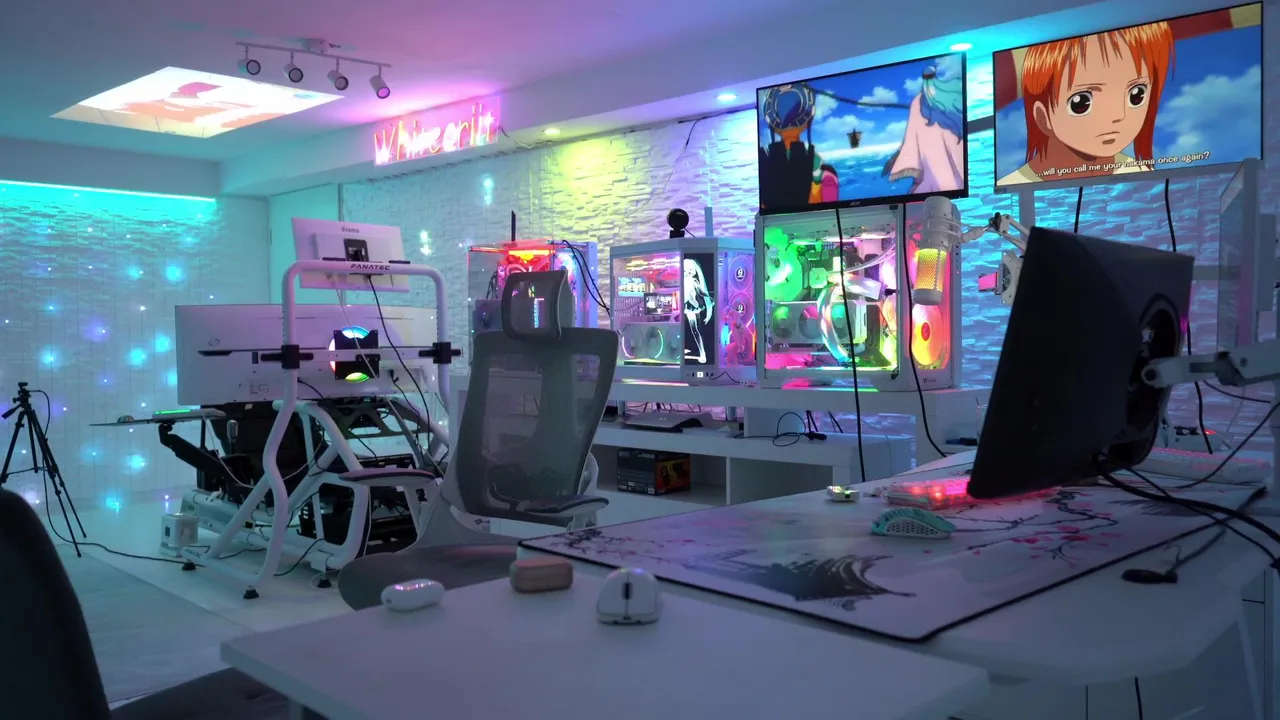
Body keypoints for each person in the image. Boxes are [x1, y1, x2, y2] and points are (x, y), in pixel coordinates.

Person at [999, 23, 1174, 185]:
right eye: (1081, 102)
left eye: (1137, 95)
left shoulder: (1141, 175)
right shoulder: (1014, 183)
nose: (1118, 115)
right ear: (1043, 117)